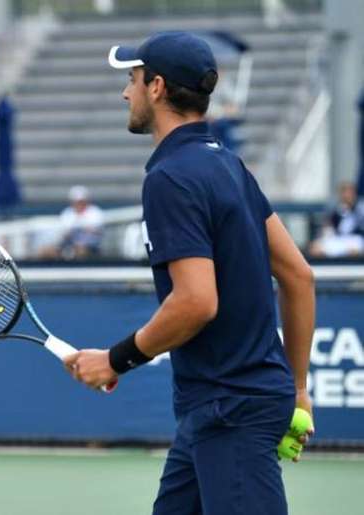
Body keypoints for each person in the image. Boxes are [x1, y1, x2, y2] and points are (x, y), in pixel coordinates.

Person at [65, 32, 315, 515]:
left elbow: (197, 301)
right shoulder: (229, 165)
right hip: (220, 409)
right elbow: (299, 276)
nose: (125, 92)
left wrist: (115, 360)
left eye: (132, 79)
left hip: (229, 410)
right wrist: (298, 392)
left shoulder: (170, 177)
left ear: (156, 87)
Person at [308, 181, 364, 258]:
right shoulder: (334, 209)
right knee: (316, 248)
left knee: (354, 249)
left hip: (355, 239)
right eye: (344, 192)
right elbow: (328, 227)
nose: (347, 196)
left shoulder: (360, 208)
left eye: (349, 193)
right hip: (338, 239)